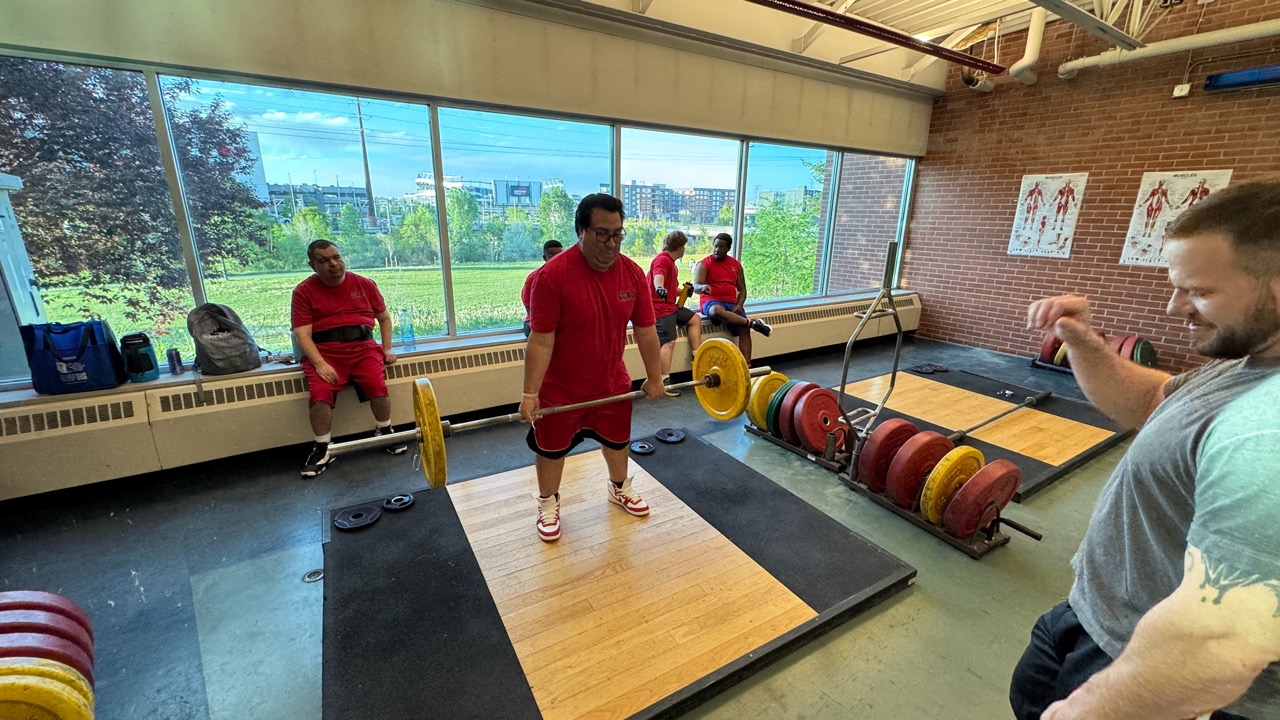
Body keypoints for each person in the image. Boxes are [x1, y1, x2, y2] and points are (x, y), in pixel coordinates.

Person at [1015, 180, 1280, 720]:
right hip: (1098, 614)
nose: (1174, 307)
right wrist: (1082, 341)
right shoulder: (1250, 361)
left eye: (1198, 292)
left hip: (1156, 675)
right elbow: (1149, 402)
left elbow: (1219, 639)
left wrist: (1093, 709)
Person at [520, 194, 664, 542]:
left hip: (610, 381)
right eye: (602, 234)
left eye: (617, 234)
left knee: (617, 441)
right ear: (581, 231)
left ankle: (619, 487)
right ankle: (548, 502)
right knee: (551, 449)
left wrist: (655, 376)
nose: (611, 243)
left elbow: (646, 330)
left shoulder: (632, 273)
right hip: (560, 388)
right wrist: (529, 394)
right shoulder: (551, 276)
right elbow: (540, 341)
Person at [291, 240, 406, 478]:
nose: (333, 264)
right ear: (312, 265)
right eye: (324, 260)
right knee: (320, 392)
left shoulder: (365, 284)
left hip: (363, 348)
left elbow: (384, 318)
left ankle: (385, 431)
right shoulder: (303, 291)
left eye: (336, 257)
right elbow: (303, 334)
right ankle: (323, 447)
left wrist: (386, 348)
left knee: (376, 384)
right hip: (325, 352)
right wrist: (320, 364)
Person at [692, 233, 771, 364]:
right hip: (711, 301)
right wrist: (702, 287)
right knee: (716, 311)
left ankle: (747, 366)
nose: (717, 249)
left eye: (721, 247)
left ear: (728, 248)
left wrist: (739, 305)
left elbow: (742, 289)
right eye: (715, 246)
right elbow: (695, 287)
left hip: (731, 303)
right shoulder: (704, 264)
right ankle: (753, 324)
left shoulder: (736, 265)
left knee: (744, 329)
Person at [647, 231, 702, 396]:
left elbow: (670, 288)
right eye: (684, 246)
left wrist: (684, 292)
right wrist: (659, 288)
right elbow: (658, 277)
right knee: (669, 342)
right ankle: (664, 381)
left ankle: (696, 356)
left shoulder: (672, 263)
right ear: (678, 247)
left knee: (695, 319)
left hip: (671, 306)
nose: (684, 250)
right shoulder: (662, 260)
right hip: (660, 309)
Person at [520, 240, 563, 338]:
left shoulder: (567, 277)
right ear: (544, 258)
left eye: (560, 256)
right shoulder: (533, 278)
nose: (556, 259)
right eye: (552, 256)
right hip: (535, 322)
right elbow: (529, 309)